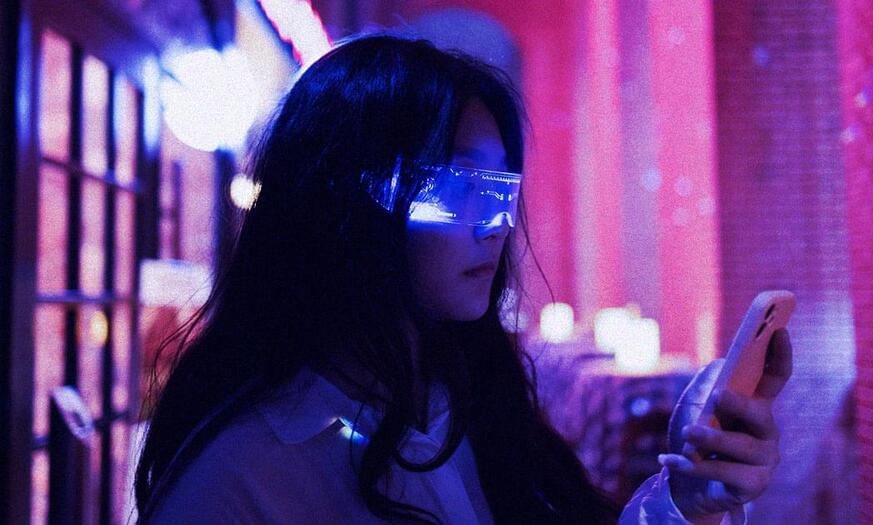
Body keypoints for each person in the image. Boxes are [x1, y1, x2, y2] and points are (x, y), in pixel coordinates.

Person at [134, 35, 791, 524]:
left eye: (500, 189)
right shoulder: (241, 477)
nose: (496, 226)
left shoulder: (465, 405)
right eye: (457, 188)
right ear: (347, 199)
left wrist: (687, 497)